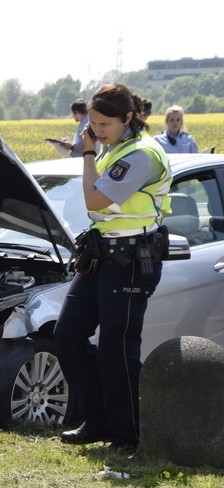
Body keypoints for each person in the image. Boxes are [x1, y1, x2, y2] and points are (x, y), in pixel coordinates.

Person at [54, 83, 173, 451]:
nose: (97, 131)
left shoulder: (142, 154)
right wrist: (90, 150)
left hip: (133, 259)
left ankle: (127, 435)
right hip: (103, 254)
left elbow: (95, 199)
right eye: (92, 123)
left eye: (105, 124)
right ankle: (99, 420)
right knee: (67, 335)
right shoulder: (116, 148)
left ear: (128, 118)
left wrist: (88, 153)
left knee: (116, 347)